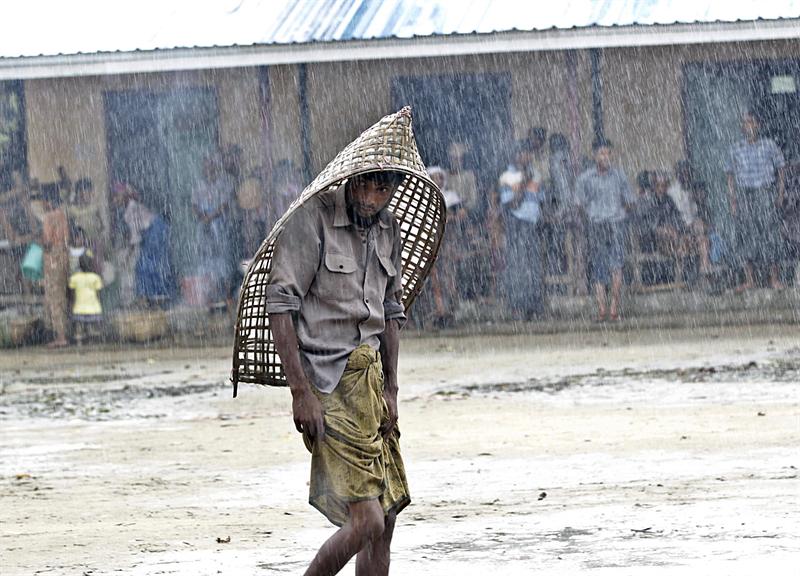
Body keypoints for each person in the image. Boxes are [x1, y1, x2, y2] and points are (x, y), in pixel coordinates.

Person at [268, 170, 410, 575]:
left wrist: (392, 389)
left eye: (382, 188)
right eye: (365, 184)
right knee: (366, 519)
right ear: (351, 180)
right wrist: (300, 392)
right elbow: (280, 305)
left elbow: (391, 314)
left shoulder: (387, 229)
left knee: (387, 514)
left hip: (373, 385)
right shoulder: (312, 219)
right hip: (327, 383)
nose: (371, 196)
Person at [576, 139, 636, 322]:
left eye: (608, 153)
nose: (605, 157)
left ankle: (614, 310)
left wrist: (620, 214)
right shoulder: (585, 178)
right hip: (596, 225)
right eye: (602, 153)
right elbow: (579, 204)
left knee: (616, 266)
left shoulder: (619, 175)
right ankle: (602, 310)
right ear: (594, 156)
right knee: (598, 268)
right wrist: (591, 217)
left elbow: (631, 200)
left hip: (616, 224)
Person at [725, 111, 786, 291]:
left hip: (764, 192)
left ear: (758, 125)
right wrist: (733, 200)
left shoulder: (769, 145)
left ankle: (773, 279)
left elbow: (781, 169)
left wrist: (780, 194)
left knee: (770, 234)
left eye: (751, 122)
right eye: (745, 123)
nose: (748, 125)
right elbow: (729, 175)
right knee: (746, 235)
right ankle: (749, 280)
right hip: (745, 194)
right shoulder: (735, 148)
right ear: (742, 127)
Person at [499, 169, 545, 320]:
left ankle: (533, 307)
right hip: (516, 225)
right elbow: (512, 205)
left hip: (533, 226)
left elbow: (542, 202)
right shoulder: (507, 177)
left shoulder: (535, 176)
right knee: (517, 266)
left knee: (533, 266)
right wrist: (524, 185)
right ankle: (517, 308)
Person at [192, 154, 236, 306]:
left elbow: (225, 205)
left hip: (219, 224)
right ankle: (208, 297)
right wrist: (202, 216)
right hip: (203, 225)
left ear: (215, 167)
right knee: (205, 259)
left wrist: (211, 217)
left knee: (222, 259)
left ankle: (226, 295)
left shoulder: (224, 183)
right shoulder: (199, 185)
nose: (207, 168)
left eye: (210, 165)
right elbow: (194, 204)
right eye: (205, 166)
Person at [668, 161, 711, 276]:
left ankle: (704, 271)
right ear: (678, 176)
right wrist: (685, 228)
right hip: (678, 231)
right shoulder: (672, 193)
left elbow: (697, 215)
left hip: (693, 231)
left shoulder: (693, 191)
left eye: (688, 174)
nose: (687, 177)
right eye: (684, 175)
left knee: (704, 241)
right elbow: (672, 216)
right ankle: (684, 276)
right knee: (685, 243)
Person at [41, 184, 70, 347]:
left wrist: (37, 241)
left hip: (53, 259)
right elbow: (66, 239)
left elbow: (47, 241)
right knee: (62, 296)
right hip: (64, 257)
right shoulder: (62, 215)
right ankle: (63, 333)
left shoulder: (49, 217)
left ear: (48, 201)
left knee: (54, 298)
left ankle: (61, 336)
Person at [68, 253, 103, 344]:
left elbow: (72, 294)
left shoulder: (74, 278)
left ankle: (79, 343)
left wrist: (71, 304)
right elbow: (99, 294)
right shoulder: (96, 277)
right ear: (91, 264)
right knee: (93, 329)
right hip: (94, 308)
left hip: (79, 308)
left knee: (79, 329)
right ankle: (92, 343)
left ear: (79, 265)